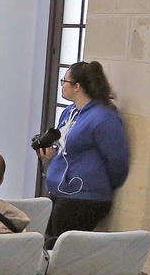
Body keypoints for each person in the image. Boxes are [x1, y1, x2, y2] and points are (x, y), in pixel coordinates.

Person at [38, 60, 130, 244]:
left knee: (63, 248)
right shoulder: (70, 112)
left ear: (77, 86)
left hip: (83, 197)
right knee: (48, 244)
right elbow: (67, 148)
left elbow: (118, 162)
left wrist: (97, 184)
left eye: (65, 81)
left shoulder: (103, 118)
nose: (62, 85)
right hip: (60, 191)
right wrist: (51, 157)